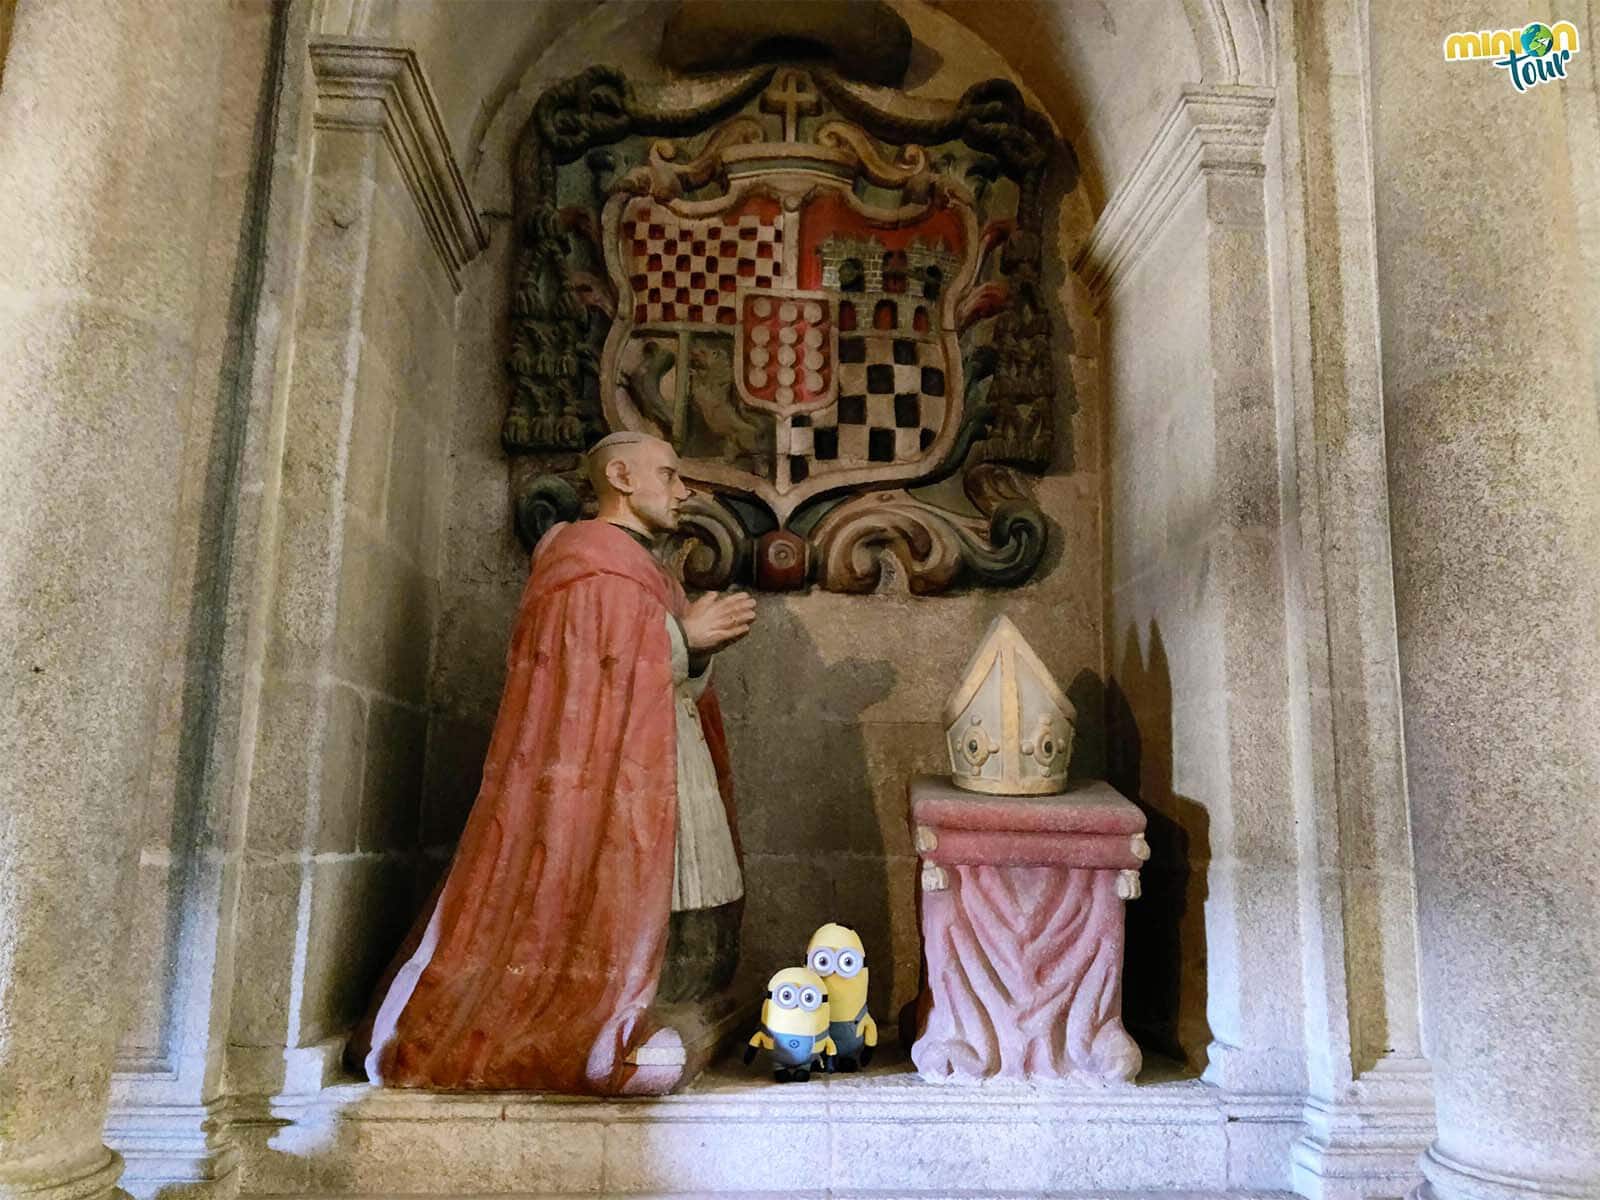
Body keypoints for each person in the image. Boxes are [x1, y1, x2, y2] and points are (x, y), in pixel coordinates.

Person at [348, 432, 757, 1094]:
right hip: (607, 775)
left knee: (702, 902)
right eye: (671, 475)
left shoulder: (644, 568)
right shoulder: (586, 562)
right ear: (621, 476)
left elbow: (666, 671)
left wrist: (696, 648)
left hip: (666, 754)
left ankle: (663, 1000)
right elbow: (590, 671)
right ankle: (604, 1018)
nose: (685, 492)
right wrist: (685, 637)